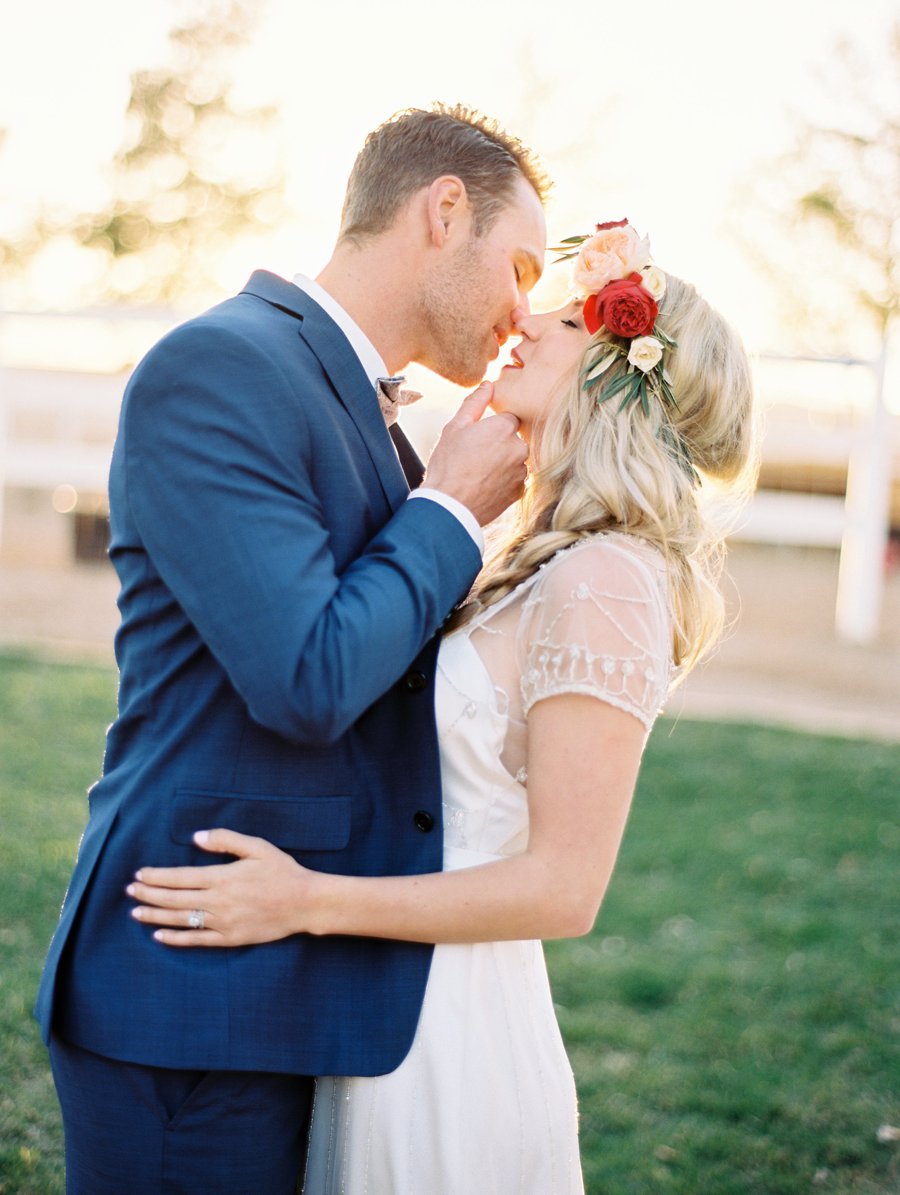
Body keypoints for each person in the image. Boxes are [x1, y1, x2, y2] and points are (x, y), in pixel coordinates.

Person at [129, 220, 759, 1192]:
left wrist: (306, 900)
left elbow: (565, 887)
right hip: (388, 1009)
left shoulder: (610, 579)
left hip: (454, 1035)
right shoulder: (536, 557)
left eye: (565, 317)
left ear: (622, 374)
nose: (528, 321)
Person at [34, 104, 552, 1194]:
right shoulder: (222, 365)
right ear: (442, 210)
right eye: (520, 266)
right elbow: (308, 675)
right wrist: (455, 509)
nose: (524, 309)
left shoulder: (345, 395)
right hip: (192, 993)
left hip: (286, 977)